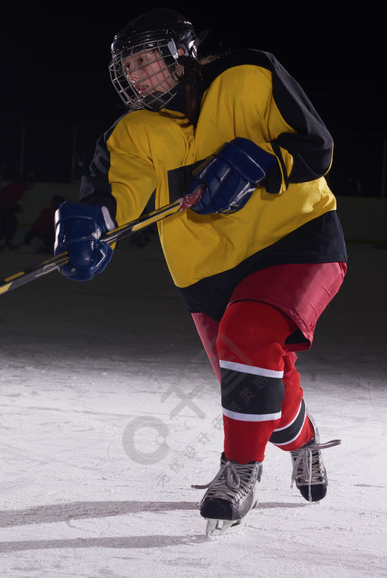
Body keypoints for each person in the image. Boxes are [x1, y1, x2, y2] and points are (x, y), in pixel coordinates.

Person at [52, 9, 347, 534]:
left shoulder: (249, 75)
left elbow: (315, 147)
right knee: (260, 392)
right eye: (129, 68)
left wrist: (261, 161)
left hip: (296, 240)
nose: (138, 76)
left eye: (145, 61)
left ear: (181, 55)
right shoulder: (134, 133)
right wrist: (88, 227)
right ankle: (302, 442)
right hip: (207, 275)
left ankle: (239, 473)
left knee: (249, 337)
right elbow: (111, 195)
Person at [0, 173, 34, 250]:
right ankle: (7, 241)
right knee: (12, 223)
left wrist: (14, 207)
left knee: (6, 224)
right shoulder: (19, 187)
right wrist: (14, 207)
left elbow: (9, 198)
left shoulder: (17, 185)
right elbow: (9, 198)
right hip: (1, 205)